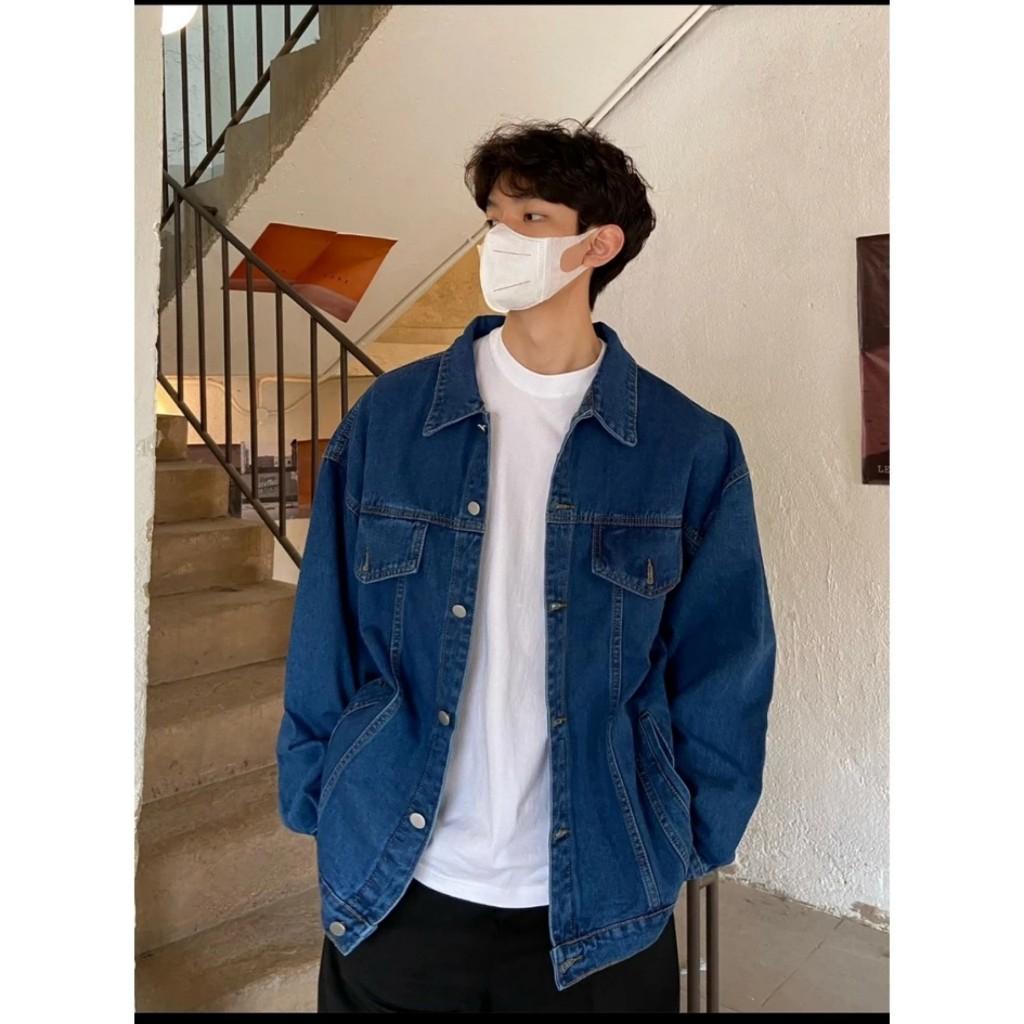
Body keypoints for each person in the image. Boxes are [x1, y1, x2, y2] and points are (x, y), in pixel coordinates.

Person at [276, 118, 777, 1013]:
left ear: (600, 245)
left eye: (531, 218)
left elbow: (724, 665)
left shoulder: (686, 449)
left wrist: (693, 833)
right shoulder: (391, 421)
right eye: (492, 220)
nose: (500, 242)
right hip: (400, 882)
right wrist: (319, 791)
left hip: (602, 893)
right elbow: (327, 629)